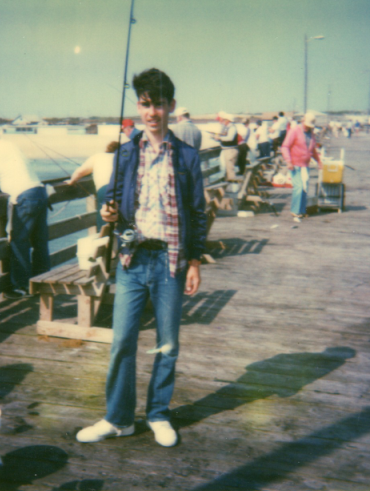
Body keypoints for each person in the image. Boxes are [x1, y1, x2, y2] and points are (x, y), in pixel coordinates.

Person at [76, 68, 206, 448]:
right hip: (132, 261)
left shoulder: (187, 157)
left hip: (171, 262)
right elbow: (112, 199)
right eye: (145, 104)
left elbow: (197, 212)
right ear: (139, 106)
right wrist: (108, 212)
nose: (152, 112)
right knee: (122, 342)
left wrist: (195, 262)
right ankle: (118, 418)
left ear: (171, 107)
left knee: (168, 344)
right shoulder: (126, 152)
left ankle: (158, 414)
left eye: (160, 104)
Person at [0, 123, 50, 298]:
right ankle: (43, 283)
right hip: (39, 191)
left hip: (24, 197)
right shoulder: (10, 145)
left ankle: (21, 287)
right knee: (40, 242)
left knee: (18, 241)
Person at [66, 141, 120, 230]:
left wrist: (72, 181)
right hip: (121, 189)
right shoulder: (122, 158)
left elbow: (80, 172)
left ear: (107, 149)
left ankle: (103, 239)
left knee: (104, 219)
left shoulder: (98, 157)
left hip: (104, 189)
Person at [281, 112, 322, 221]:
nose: (308, 127)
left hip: (305, 165)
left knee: (304, 187)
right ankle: (295, 211)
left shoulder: (311, 133)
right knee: (298, 187)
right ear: (303, 121)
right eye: (307, 124)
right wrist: (288, 161)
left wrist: (319, 161)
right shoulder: (294, 130)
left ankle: (302, 210)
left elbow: (312, 149)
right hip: (294, 164)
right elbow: (285, 146)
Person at [214, 112, 239, 180]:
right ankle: (230, 185)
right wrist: (216, 137)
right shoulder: (227, 127)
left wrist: (219, 138)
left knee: (230, 170)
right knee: (227, 169)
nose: (223, 121)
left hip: (230, 150)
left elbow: (230, 138)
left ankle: (233, 188)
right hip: (227, 150)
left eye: (225, 120)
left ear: (228, 120)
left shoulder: (232, 128)